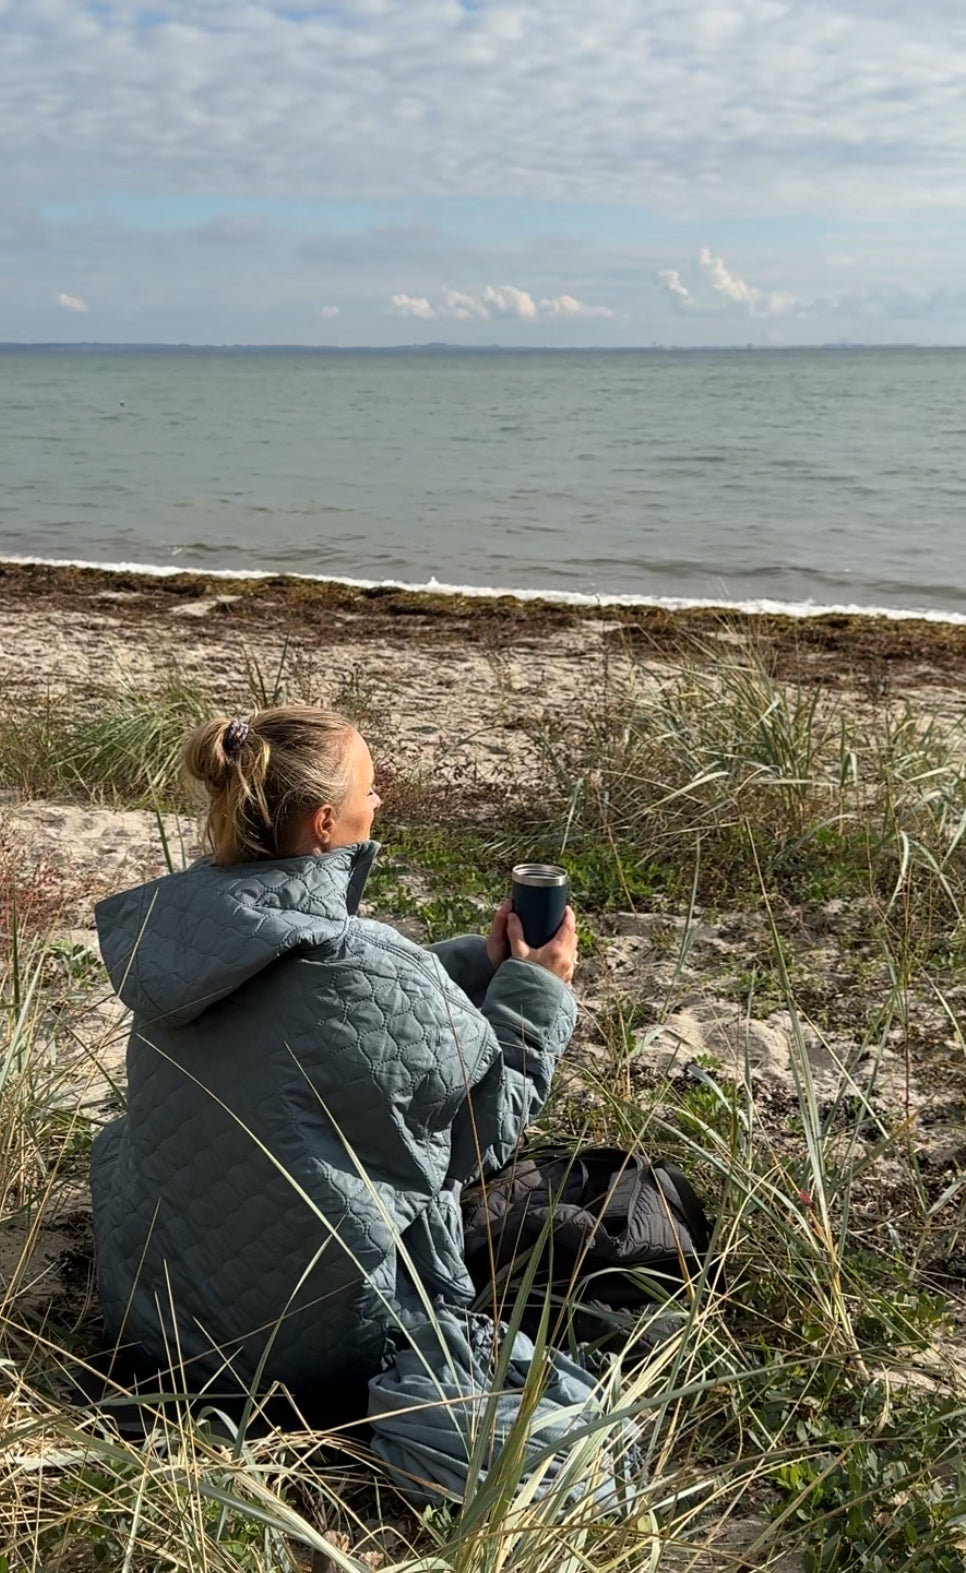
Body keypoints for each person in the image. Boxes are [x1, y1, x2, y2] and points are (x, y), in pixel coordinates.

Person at [90, 704, 577, 1409]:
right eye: (370, 788)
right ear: (325, 821)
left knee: (125, 1142)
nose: (378, 801)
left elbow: (312, 1000)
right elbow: (487, 1130)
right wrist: (535, 988)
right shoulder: (374, 966)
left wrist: (472, 967)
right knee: (431, 1184)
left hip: (155, 1326)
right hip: (313, 1356)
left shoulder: (177, 940)